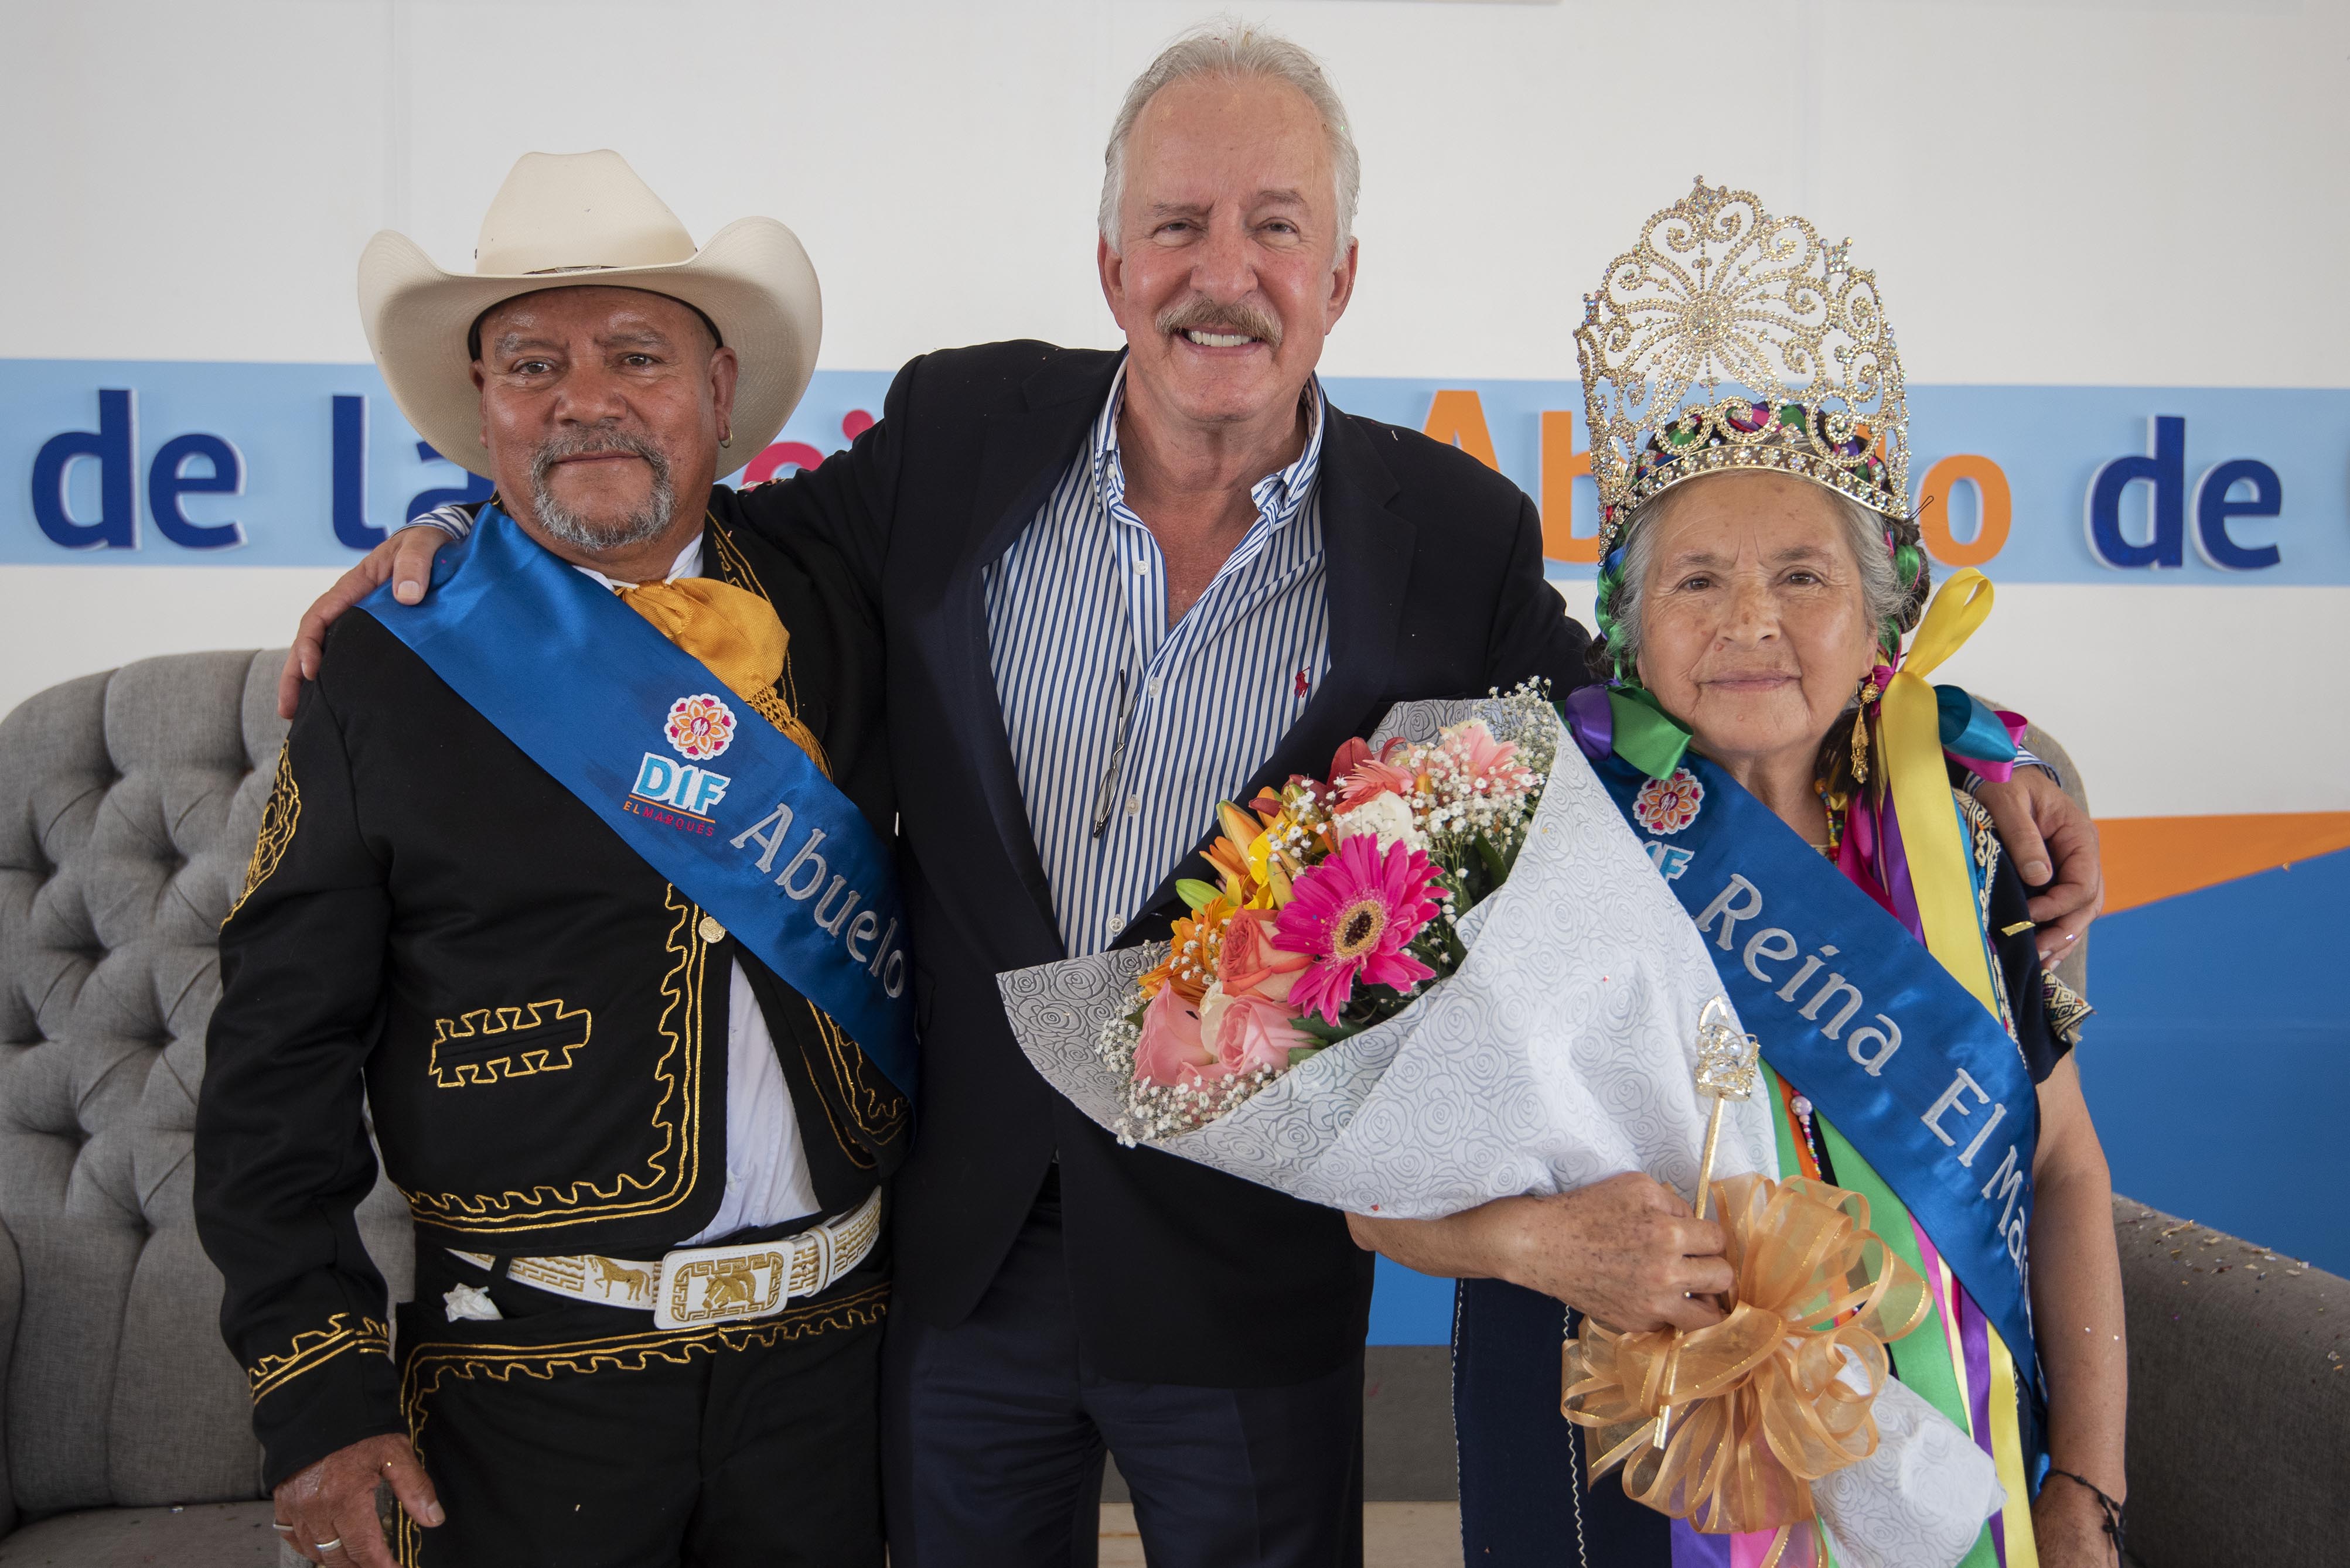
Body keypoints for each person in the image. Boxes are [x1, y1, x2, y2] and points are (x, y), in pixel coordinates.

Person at [276, 28, 2105, 1566]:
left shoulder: (1445, 531)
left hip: (1254, 1270)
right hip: (959, 1254)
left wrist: (1973, 745)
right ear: (1111, 267)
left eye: (1271, 226)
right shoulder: (959, 432)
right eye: (1174, 224)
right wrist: (460, 555)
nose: (1218, 269)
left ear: (1337, 277)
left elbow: (1678, 704)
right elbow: (688, 558)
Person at [1352, 182, 2128, 1567]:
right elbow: (1368, 1195)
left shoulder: (1966, 838)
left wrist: (2086, 1488)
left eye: (1801, 575)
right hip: (1625, 1474)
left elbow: (2062, 1164)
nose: (1749, 623)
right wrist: (1534, 1247)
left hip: (1963, 1461)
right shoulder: (1533, 840)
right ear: (1628, 626)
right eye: (1695, 580)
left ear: (1877, 613)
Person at [195, 151, 910, 1568]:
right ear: (482, 410)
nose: (581, 398)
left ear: (717, 392)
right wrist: (320, 1395)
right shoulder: (390, 670)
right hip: (522, 1391)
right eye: (532, 364)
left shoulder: (848, 595)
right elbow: (273, 1064)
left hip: (834, 1378)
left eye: (633, 355)